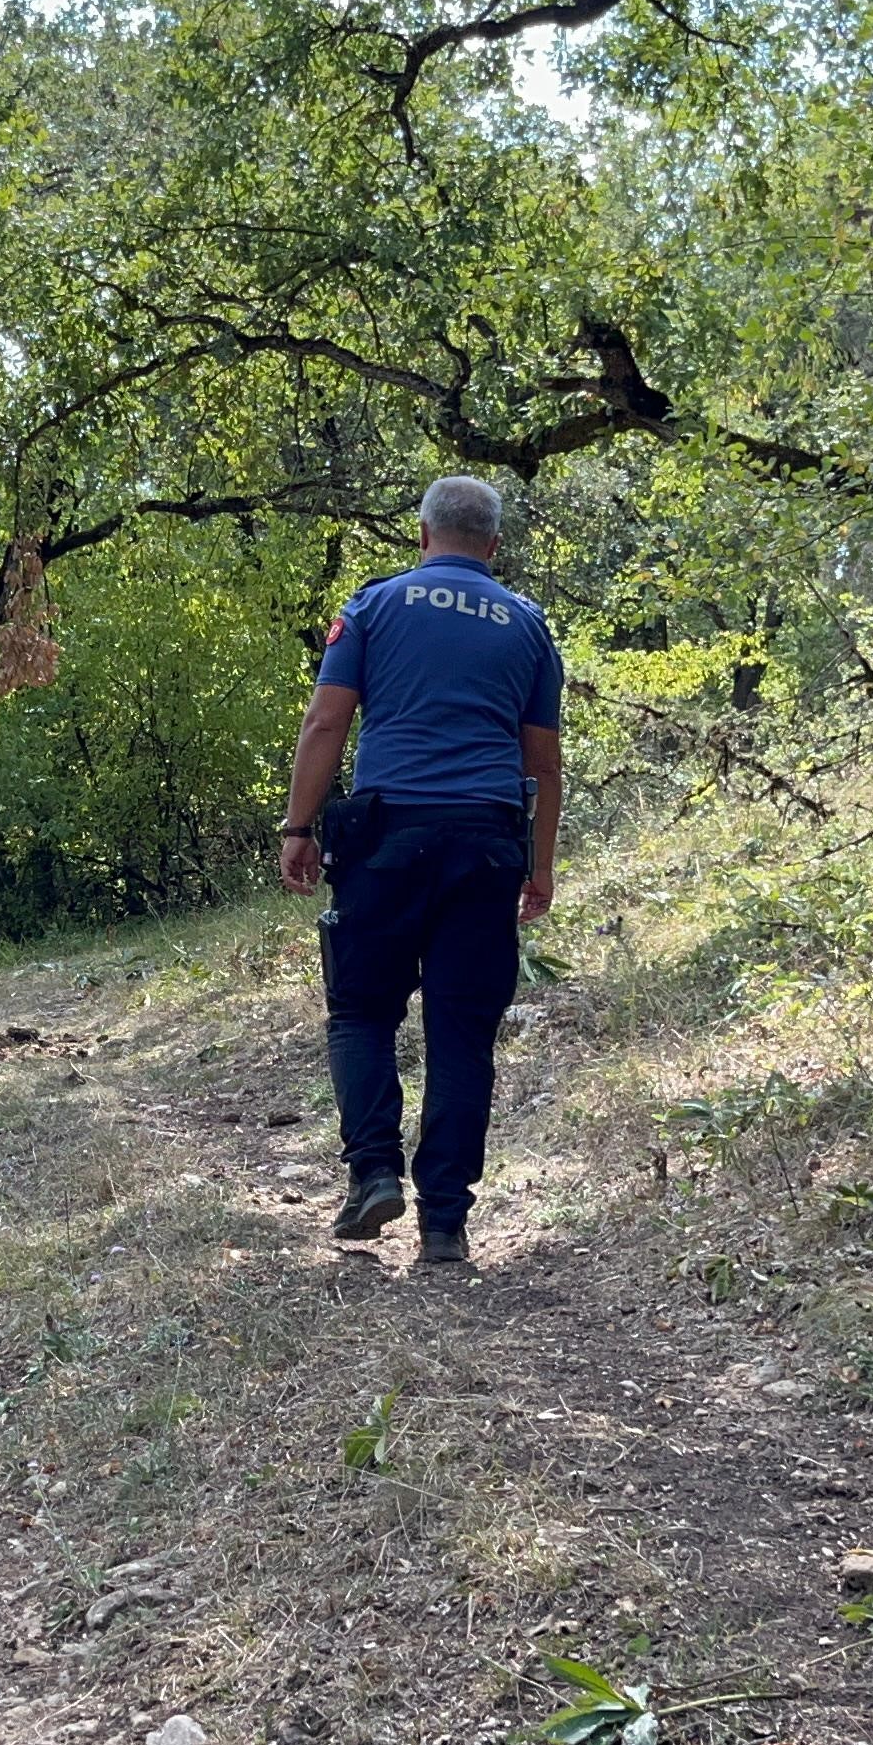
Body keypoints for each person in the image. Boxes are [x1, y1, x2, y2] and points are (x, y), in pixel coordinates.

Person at [275, 476, 564, 1267]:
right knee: (462, 1031)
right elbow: (543, 763)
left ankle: (372, 1172)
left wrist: (300, 827)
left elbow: (327, 719)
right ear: (493, 547)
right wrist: (539, 865)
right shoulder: (529, 625)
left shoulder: (373, 607)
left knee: (362, 1011)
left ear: (422, 534)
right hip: (488, 844)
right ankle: (446, 1220)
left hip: (387, 840)